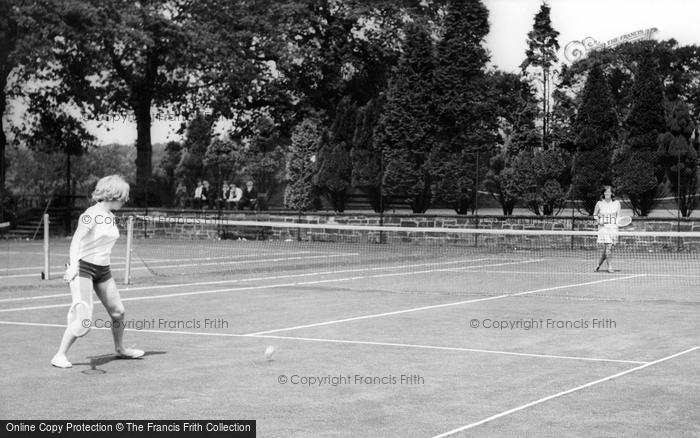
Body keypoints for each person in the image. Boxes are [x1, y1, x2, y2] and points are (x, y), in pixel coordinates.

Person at [51, 175, 144, 368]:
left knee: (118, 312)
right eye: (123, 196)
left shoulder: (109, 216)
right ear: (114, 194)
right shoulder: (90, 214)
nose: (125, 201)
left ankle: (120, 349)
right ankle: (59, 355)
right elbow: (76, 240)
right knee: (84, 323)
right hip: (83, 268)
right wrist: (74, 266)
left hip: (103, 270)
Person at [593, 185, 621, 273]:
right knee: (608, 246)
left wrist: (618, 226)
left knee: (607, 250)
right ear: (603, 193)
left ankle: (598, 265)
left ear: (612, 193)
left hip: (613, 228)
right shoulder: (599, 203)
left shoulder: (617, 203)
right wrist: (598, 220)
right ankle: (610, 267)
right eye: (605, 191)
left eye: (609, 191)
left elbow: (619, 216)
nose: (607, 193)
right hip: (603, 228)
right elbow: (594, 215)